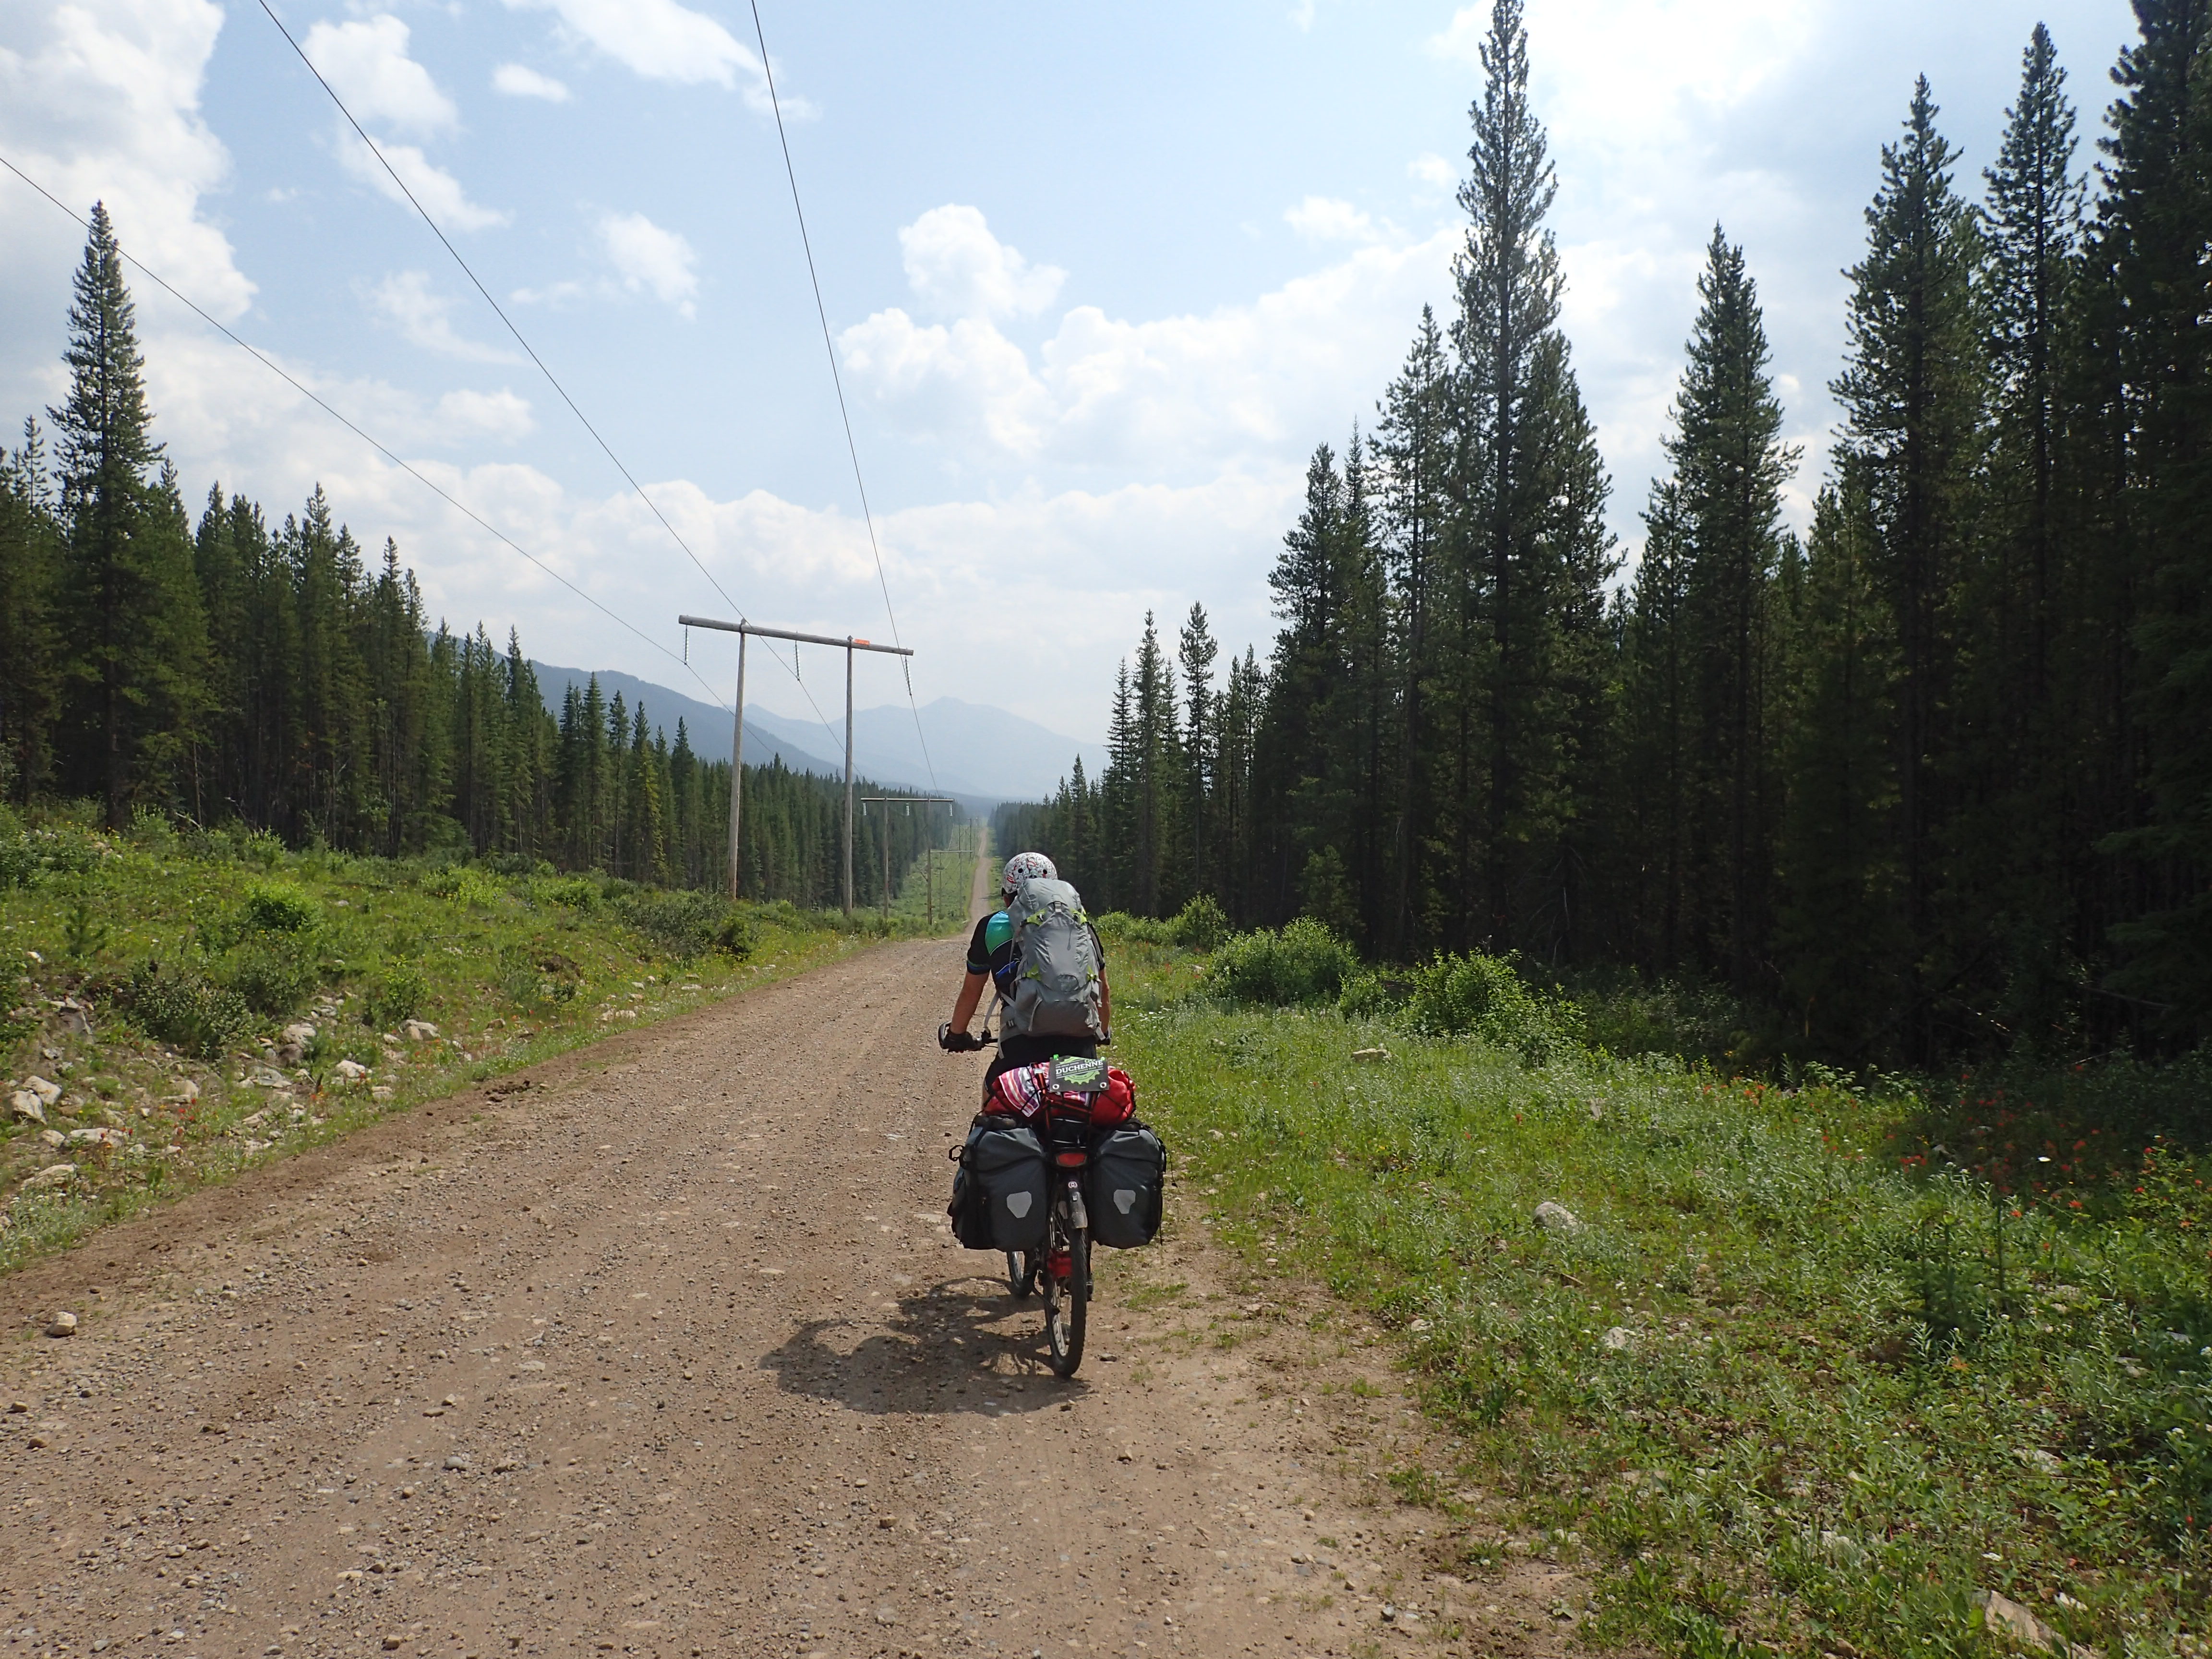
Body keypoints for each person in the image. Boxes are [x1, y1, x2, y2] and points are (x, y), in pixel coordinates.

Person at [940, 851, 1110, 1101]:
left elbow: (971, 992)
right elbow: (1103, 989)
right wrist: (1103, 1032)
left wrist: (957, 1035)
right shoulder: (1080, 924)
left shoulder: (991, 925)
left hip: (1020, 1050)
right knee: (1086, 1114)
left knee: (995, 1105)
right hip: (1079, 1049)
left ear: (1006, 897)